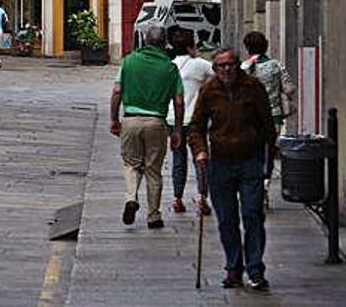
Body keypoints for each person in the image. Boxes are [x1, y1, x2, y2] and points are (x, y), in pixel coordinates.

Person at [190, 48, 277, 291]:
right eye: (221, 66)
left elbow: (267, 125)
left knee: (252, 214)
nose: (226, 70)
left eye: (230, 65)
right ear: (215, 69)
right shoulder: (209, 90)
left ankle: (255, 268)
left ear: (238, 65)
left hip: (250, 161)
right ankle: (233, 268)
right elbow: (196, 126)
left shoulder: (253, 87)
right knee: (227, 219)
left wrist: (267, 163)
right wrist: (200, 149)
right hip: (220, 163)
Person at [110, 25, 184, 229]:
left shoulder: (129, 61)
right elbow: (178, 101)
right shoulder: (170, 67)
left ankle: (131, 198)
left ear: (145, 40)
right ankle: (153, 216)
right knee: (153, 170)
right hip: (157, 122)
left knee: (131, 164)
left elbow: (117, 91)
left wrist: (114, 119)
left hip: (131, 119)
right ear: (164, 43)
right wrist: (177, 129)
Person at [240, 31, 296, 207]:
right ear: (266, 45)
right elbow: (289, 89)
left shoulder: (242, 68)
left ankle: (252, 186)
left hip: (249, 117)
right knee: (268, 154)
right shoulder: (276, 66)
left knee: (251, 153)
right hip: (274, 116)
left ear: (247, 47)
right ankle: (264, 186)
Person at [166, 30, 214, 215]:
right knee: (200, 157)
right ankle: (202, 196)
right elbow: (217, 75)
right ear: (190, 47)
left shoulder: (170, 65)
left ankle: (177, 198)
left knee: (178, 159)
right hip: (195, 120)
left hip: (173, 119)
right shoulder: (200, 64)